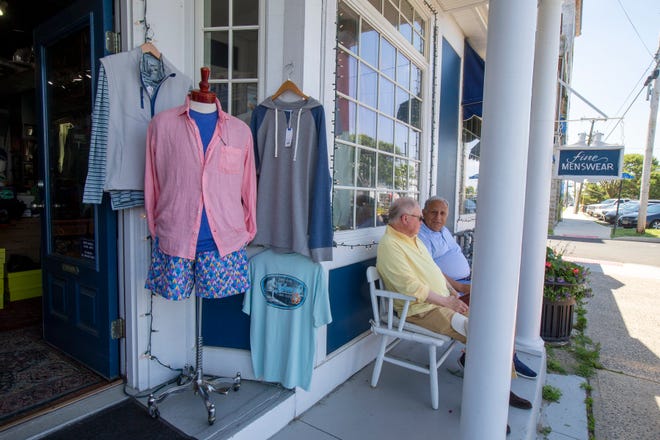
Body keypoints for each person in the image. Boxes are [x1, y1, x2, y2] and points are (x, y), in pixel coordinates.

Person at [376, 197, 533, 416]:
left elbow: (432, 268)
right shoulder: (390, 246)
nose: (422, 222)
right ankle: (485, 403)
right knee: (479, 333)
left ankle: (497, 389)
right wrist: (447, 301)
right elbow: (410, 287)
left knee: (492, 325)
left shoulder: (412, 238)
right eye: (420, 218)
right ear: (405, 219)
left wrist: (451, 290)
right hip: (421, 310)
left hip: (441, 301)